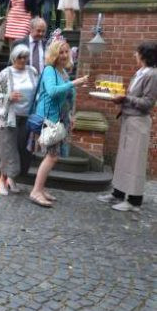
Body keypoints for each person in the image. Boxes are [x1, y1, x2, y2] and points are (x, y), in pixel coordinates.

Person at [28, 38, 88, 207]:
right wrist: (73, 83)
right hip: (49, 119)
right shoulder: (49, 70)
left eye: (66, 51)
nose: (63, 55)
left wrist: (71, 116)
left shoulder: (63, 72)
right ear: (54, 54)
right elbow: (53, 92)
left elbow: (69, 97)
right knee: (52, 156)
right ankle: (36, 191)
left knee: (53, 156)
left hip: (60, 119)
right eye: (60, 52)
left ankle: (41, 188)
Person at [97, 42, 157, 212]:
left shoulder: (152, 74)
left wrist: (125, 99)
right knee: (123, 160)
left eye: (137, 53)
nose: (134, 55)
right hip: (129, 119)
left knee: (135, 162)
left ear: (145, 55)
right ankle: (118, 193)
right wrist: (123, 98)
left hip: (139, 122)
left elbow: (147, 103)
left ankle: (134, 201)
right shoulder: (141, 71)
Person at [0, 44, 39, 194]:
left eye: (25, 57)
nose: (23, 60)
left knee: (22, 150)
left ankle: (12, 179)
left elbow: (38, 91)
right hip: (9, 117)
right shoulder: (5, 73)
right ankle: (1, 181)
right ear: (14, 58)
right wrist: (8, 97)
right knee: (8, 150)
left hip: (27, 117)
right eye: (20, 57)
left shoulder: (32, 72)